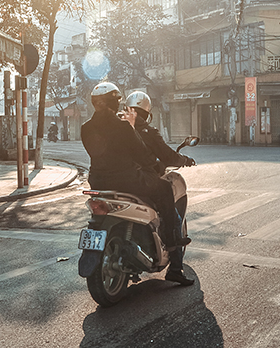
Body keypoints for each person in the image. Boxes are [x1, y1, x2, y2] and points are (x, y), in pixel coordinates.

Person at [81, 83, 191, 286]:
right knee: (165, 189)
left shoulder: (85, 128)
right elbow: (142, 154)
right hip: (128, 181)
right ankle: (173, 247)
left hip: (97, 181)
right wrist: (152, 164)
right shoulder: (123, 127)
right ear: (115, 102)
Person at [124, 91, 196, 286]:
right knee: (174, 217)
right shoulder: (148, 132)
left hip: (116, 182)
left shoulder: (116, 129)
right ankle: (175, 268)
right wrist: (184, 160)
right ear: (147, 113)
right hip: (142, 183)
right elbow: (167, 156)